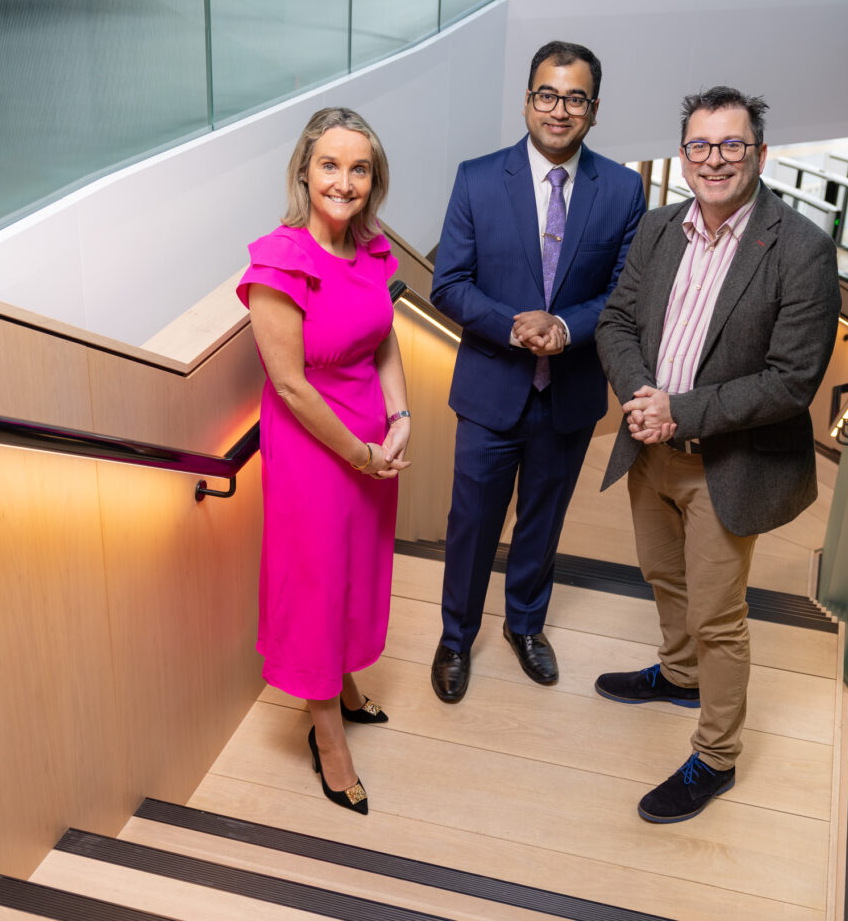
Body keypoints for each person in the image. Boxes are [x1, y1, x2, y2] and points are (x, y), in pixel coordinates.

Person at [594, 86, 840, 823]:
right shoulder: (660, 228)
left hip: (727, 462)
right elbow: (615, 322)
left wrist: (679, 411)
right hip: (651, 445)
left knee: (718, 615)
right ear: (683, 155)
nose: (715, 160)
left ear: (758, 155)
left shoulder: (800, 249)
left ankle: (716, 755)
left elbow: (791, 381)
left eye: (731, 145)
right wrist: (641, 394)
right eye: (700, 146)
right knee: (660, 575)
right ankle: (676, 676)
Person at [429, 41, 646, 702]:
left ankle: (525, 625)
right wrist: (514, 324)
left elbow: (623, 291)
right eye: (547, 95)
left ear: (594, 110)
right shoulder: (475, 178)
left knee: (542, 520)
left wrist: (567, 327)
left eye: (574, 97)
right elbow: (449, 284)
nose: (559, 109)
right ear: (528, 100)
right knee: (472, 524)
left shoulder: (623, 187)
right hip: (491, 387)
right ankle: (456, 637)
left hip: (570, 393)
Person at [238, 107, 412, 815]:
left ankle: (342, 681)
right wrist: (361, 454)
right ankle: (327, 738)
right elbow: (287, 384)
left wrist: (399, 415)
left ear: (374, 181)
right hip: (316, 450)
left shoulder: (369, 252)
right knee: (315, 582)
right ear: (304, 171)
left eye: (359, 168)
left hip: (371, 441)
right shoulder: (282, 258)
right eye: (330, 165)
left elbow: (384, 341)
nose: (344, 181)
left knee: (356, 567)